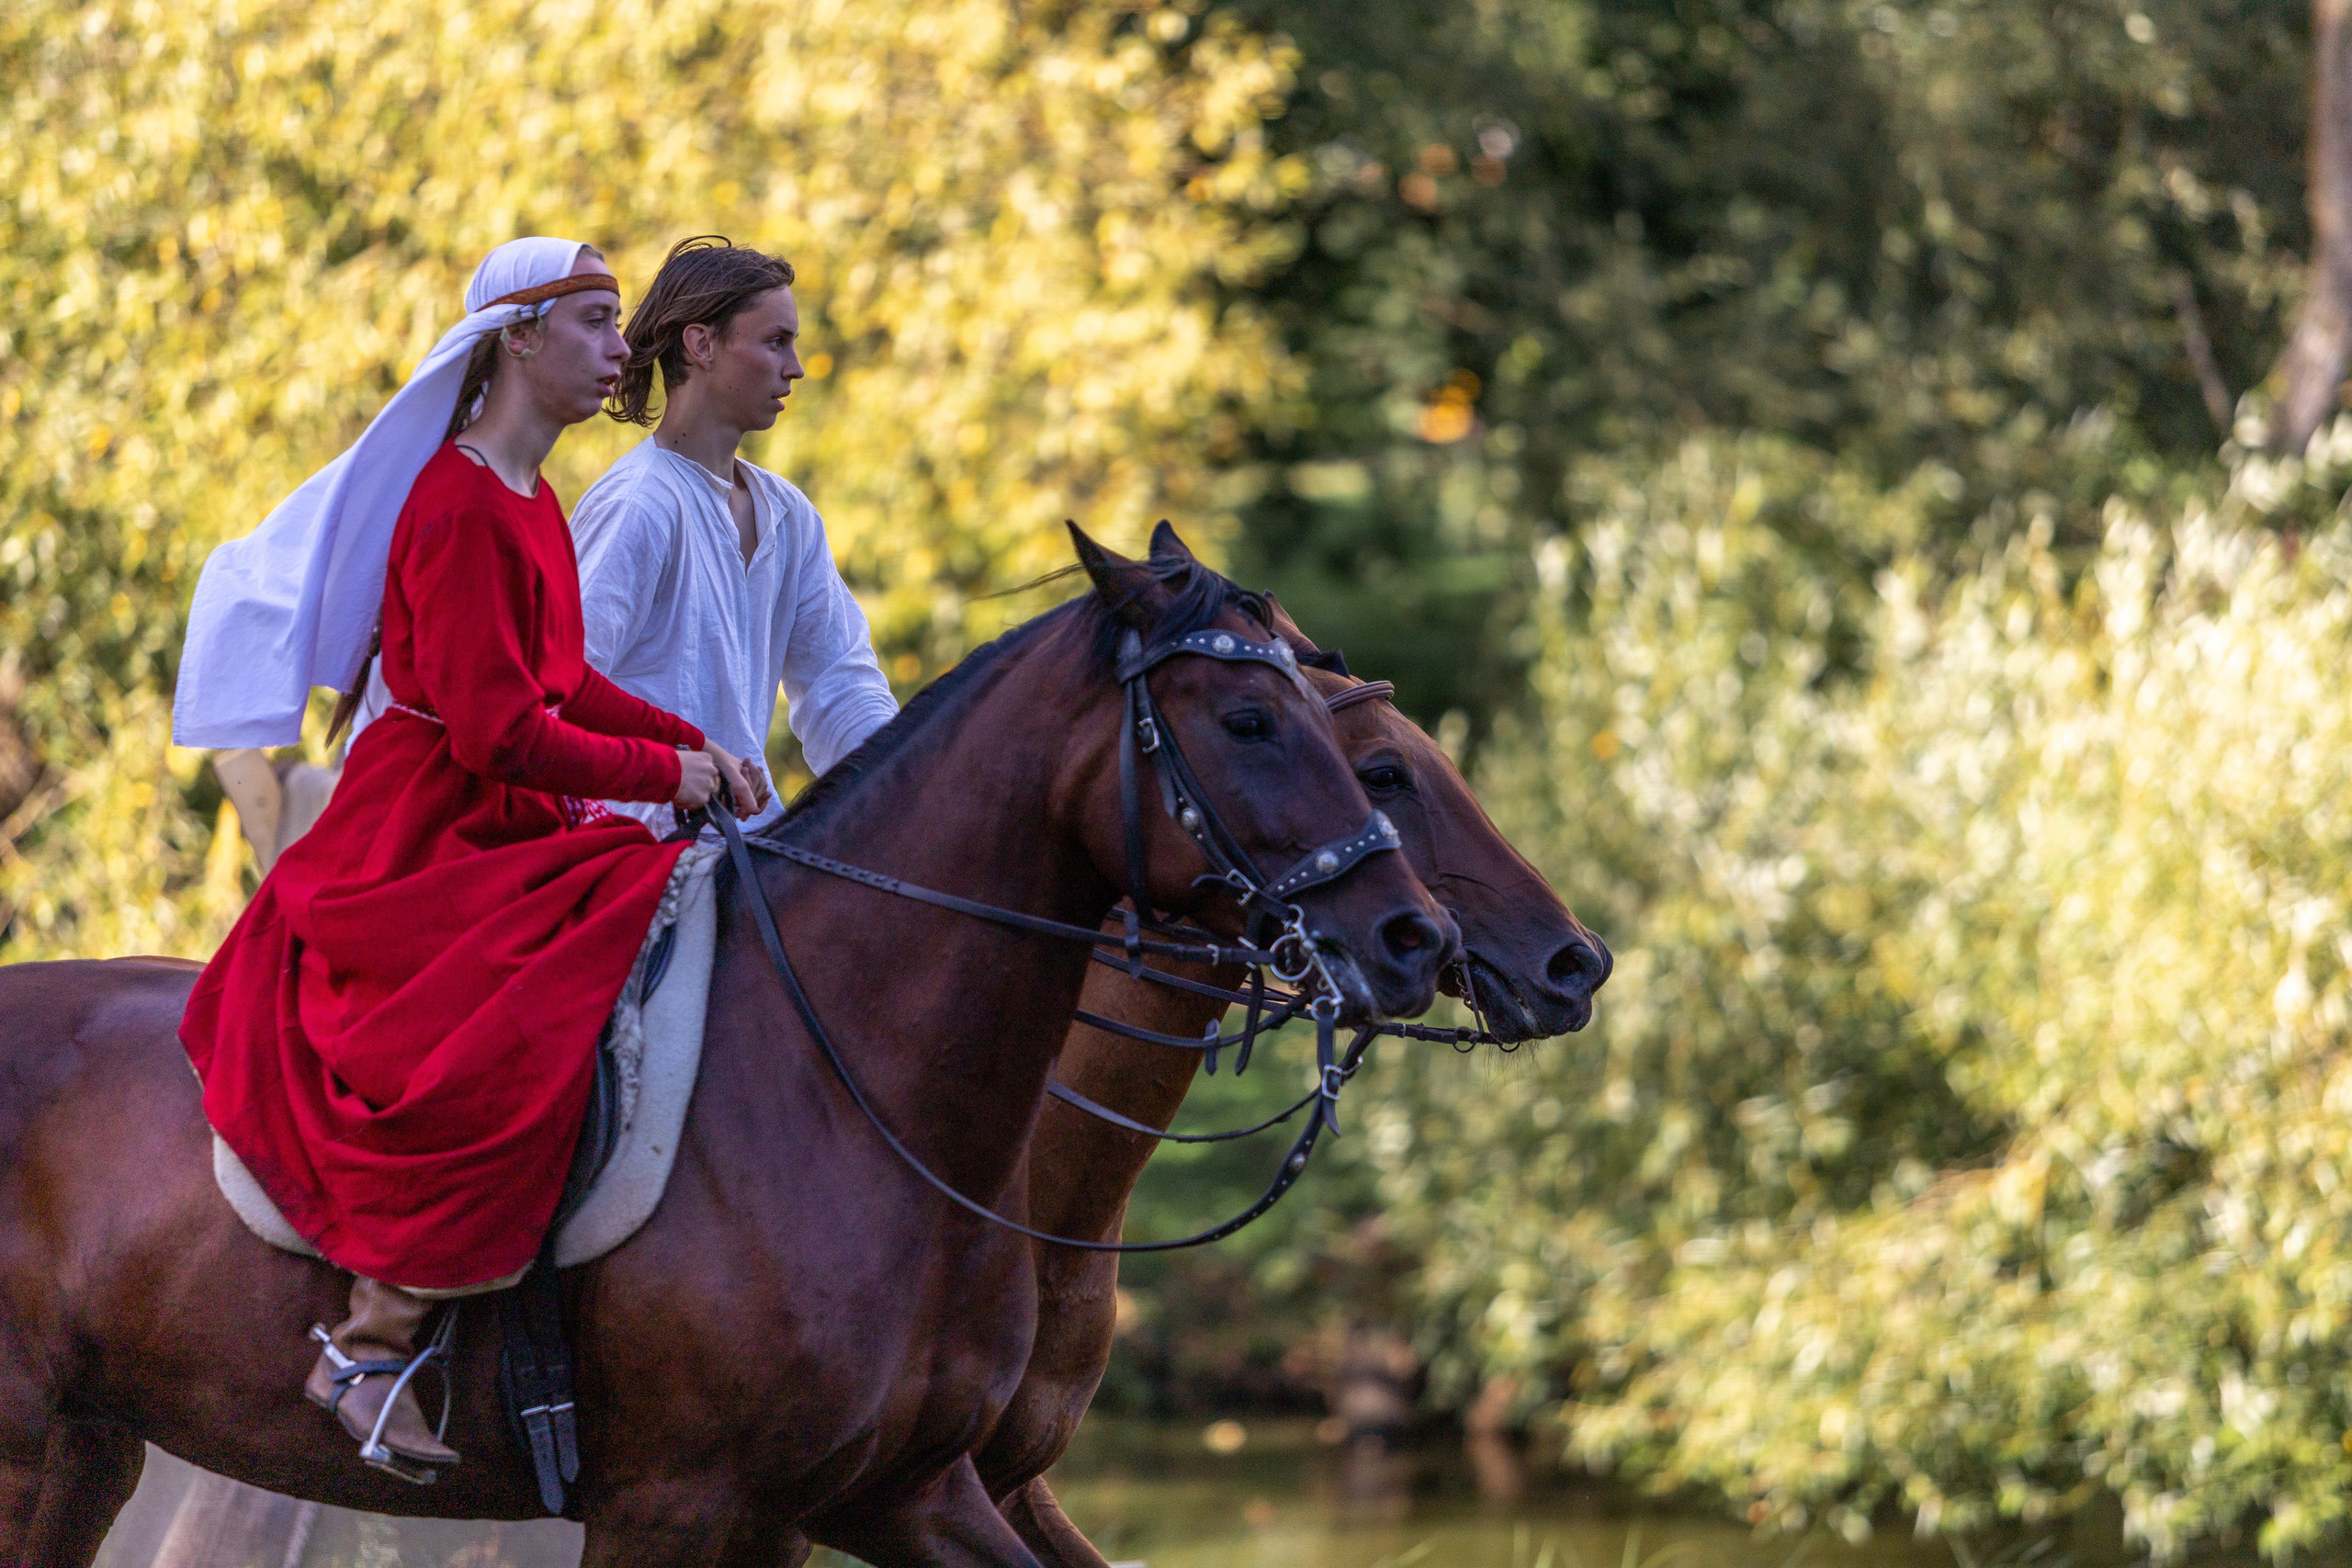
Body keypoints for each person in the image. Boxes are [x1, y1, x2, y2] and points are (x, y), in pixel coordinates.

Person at [174, 238, 759, 1482]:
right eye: (598, 323)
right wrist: (664, 777)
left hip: (493, 814)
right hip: (424, 828)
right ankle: (373, 1339)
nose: (621, 351)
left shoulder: (534, 499)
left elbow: (565, 677)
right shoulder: (452, 503)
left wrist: (685, 736)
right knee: (499, 1021)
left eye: (618, 326)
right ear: (518, 338)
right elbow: (497, 731)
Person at [571, 236, 897, 831]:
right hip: (634, 858)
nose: (794, 367)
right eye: (776, 342)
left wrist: (913, 788)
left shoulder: (788, 514)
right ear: (701, 344)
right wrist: (667, 768)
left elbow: (838, 685)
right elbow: (564, 689)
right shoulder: (639, 502)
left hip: (747, 853)